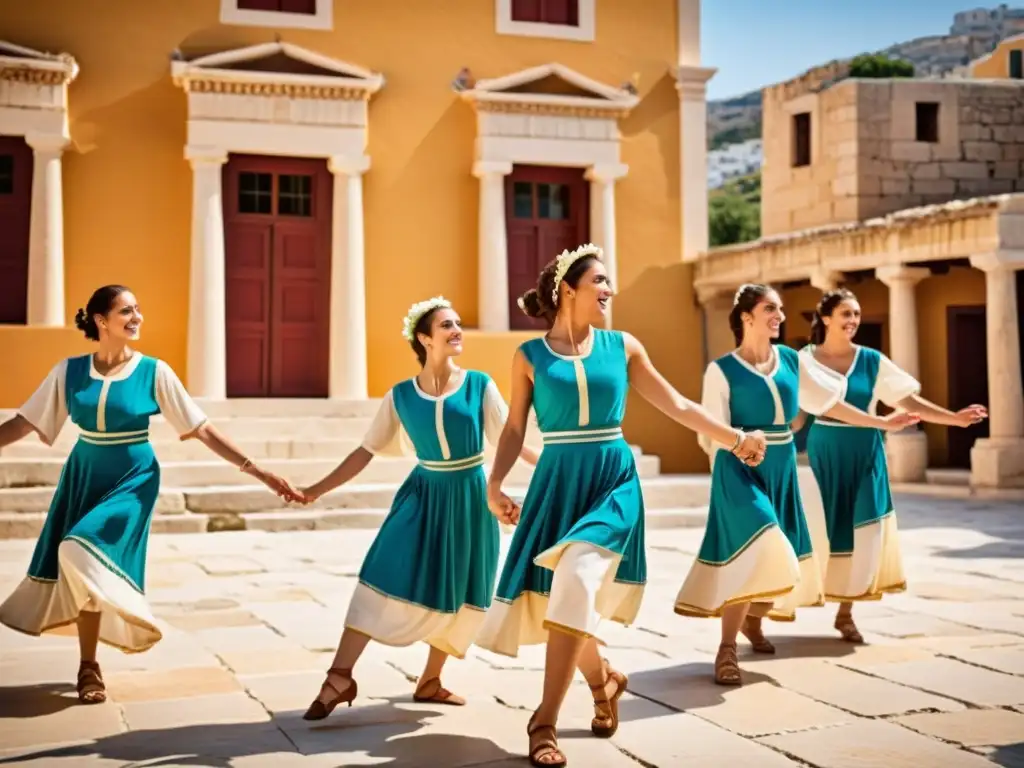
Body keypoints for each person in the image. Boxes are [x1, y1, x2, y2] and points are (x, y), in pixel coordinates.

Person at [477, 245, 767, 768]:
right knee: (559, 597)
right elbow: (516, 427)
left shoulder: (624, 346)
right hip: (556, 483)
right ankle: (604, 680)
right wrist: (494, 484)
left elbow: (679, 404)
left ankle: (543, 721)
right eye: (600, 282)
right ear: (569, 289)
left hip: (612, 481)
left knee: (576, 581)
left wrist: (734, 436)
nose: (610, 290)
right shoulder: (529, 356)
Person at [0, 285, 302, 704]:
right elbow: (24, 423)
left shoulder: (154, 372)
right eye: (126, 311)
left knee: (79, 548)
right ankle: (89, 666)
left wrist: (260, 472)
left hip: (134, 478)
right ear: (101, 321)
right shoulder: (68, 372)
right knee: (85, 567)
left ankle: (132, 615)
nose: (137, 317)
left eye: (138, 309)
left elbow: (203, 429)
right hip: (84, 473)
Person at [301, 297, 538, 720]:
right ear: (425, 338)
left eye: (458, 322)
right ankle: (339, 675)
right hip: (421, 496)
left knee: (462, 590)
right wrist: (316, 489)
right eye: (447, 325)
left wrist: (556, 469)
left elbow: (512, 437)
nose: (457, 329)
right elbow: (366, 450)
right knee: (379, 574)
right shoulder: (400, 397)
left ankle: (430, 680)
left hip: (470, 499)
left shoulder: (479, 385)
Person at [673, 283, 921, 686]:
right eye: (770, 308)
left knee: (783, 563)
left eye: (781, 310)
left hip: (782, 468)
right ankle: (727, 650)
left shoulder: (790, 359)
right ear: (746, 317)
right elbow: (711, 430)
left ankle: (754, 618)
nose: (779, 316)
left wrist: (882, 422)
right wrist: (737, 450)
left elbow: (829, 404)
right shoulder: (722, 370)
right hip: (738, 470)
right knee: (756, 549)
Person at [802, 288, 986, 642]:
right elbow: (812, 408)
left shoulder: (872, 360)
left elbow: (907, 400)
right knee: (820, 527)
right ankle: (771, 607)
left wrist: (955, 419)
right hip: (828, 447)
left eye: (856, 314)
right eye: (846, 314)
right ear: (825, 318)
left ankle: (846, 612)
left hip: (867, 449)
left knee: (866, 527)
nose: (853, 321)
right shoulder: (804, 359)